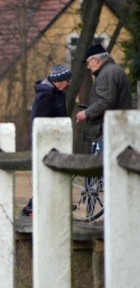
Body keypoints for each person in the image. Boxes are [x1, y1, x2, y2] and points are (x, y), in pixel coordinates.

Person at [21, 64, 72, 217]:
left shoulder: (55, 92)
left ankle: (34, 207)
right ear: (60, 80)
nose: (70, 83)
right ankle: (32, 207)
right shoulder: (47, 95)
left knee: (49, 176)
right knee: (46, 176)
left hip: (54, 140)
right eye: (68, 80)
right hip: (47, 142)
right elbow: (41, 121)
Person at [75, 44, 133, 146]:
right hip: (118, 128)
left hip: (109, 131)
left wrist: (86, 113)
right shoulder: (114, 70)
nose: (88, 67)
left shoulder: (107, 73)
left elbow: (106, 101)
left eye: (88, 62)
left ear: (95, 60)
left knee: (104, 161)